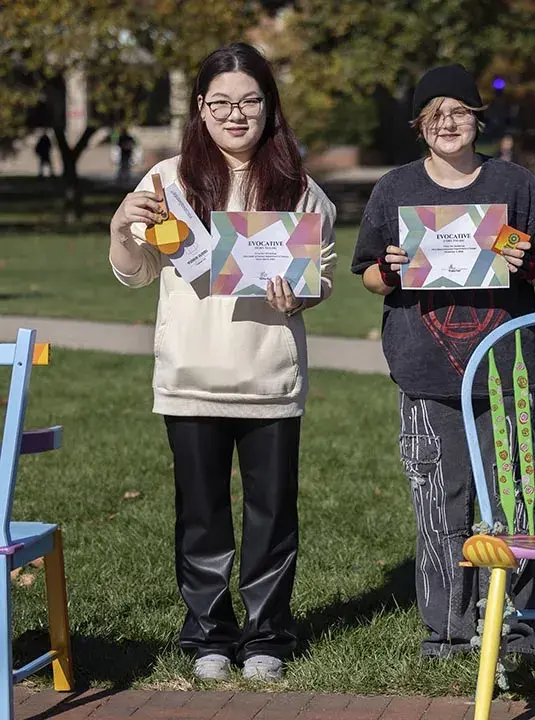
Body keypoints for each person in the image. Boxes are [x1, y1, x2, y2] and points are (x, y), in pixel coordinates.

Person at [107, 42, 337, 682]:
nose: (236, 115)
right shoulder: (166, 181)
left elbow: (320, 280)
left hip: (271, 375)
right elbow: (136, 272)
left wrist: (304, 291)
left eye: (250, 101)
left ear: (270, 106)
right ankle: (208, 635)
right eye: (222, 102)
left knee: (272, 515)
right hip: (190, 374)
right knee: (201, 513)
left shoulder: (300, 188)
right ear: (200, 107)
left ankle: (267, 635)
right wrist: (121, 229)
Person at [351, 64, 535, 659]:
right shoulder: (395, 189)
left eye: (460, 112)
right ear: (420, 126)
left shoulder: (513, 183)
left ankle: (514, 626)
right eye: (435, 115)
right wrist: (388, 270)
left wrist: (526, 264)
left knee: (512, 499)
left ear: (478, 119)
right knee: (440, 501)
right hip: (426, 371)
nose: (448, 124)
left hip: (507, 370)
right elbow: (368, 272)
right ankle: (447, 629)